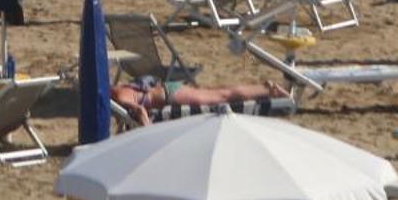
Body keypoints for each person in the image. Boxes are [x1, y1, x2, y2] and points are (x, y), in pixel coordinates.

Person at [110, 78, 289, 127]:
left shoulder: (118, 98)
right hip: (167, 90)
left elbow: (140, 111)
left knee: (223, 97)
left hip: (171, 95)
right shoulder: (117, 90)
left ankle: (269, 90)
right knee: (221, 93)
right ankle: (266, 89)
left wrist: (147, 128)